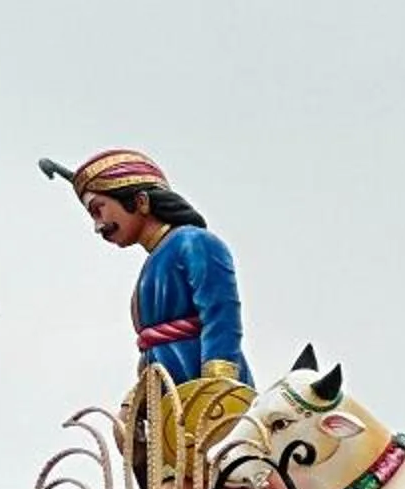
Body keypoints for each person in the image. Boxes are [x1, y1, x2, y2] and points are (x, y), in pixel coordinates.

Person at [39, 149, 250, 387]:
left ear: (140, 201)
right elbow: (154, 351)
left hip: (206, 397)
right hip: (166, 397)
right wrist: (132, 406)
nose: (97, 226)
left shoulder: (194, 242)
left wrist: (218, 384)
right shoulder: (153, 264)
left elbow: (221, 314)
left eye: (99, 209)